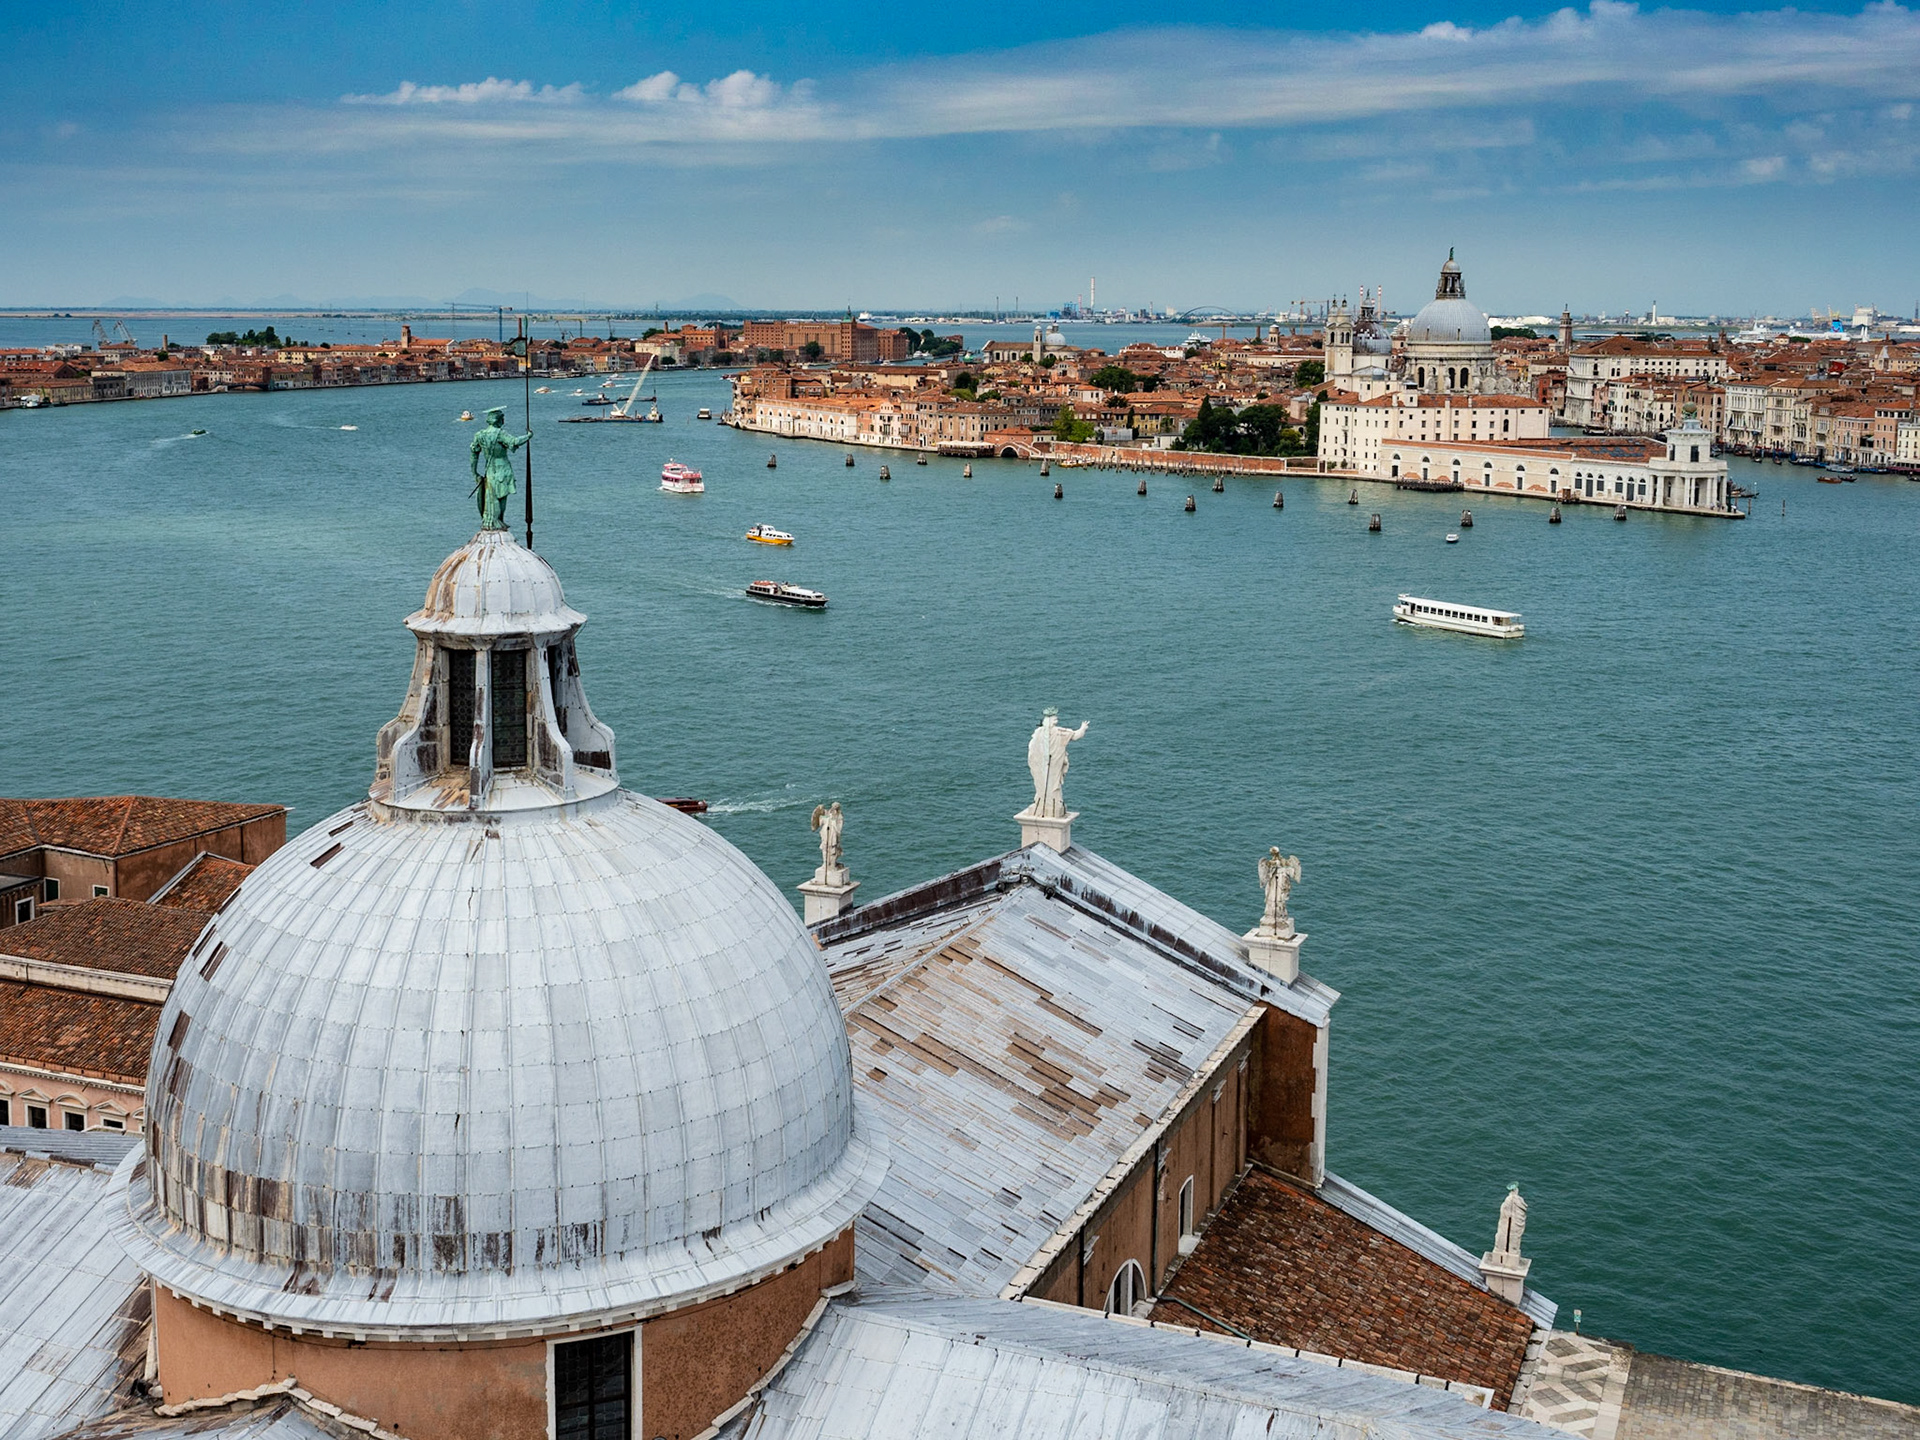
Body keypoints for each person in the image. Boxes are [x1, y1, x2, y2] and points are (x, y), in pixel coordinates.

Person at [470, 407, 530, 529]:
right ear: (498, 420)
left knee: (491, 495)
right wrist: (529, 435)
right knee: (501, 495)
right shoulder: (500, 433)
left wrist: (475, 472)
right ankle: (497, 520)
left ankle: (493, 520)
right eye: (503, 419)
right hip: (503, 468)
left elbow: (474, 455)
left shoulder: (480, 435)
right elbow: (515, 441)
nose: (503, 422)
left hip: (489, 470)